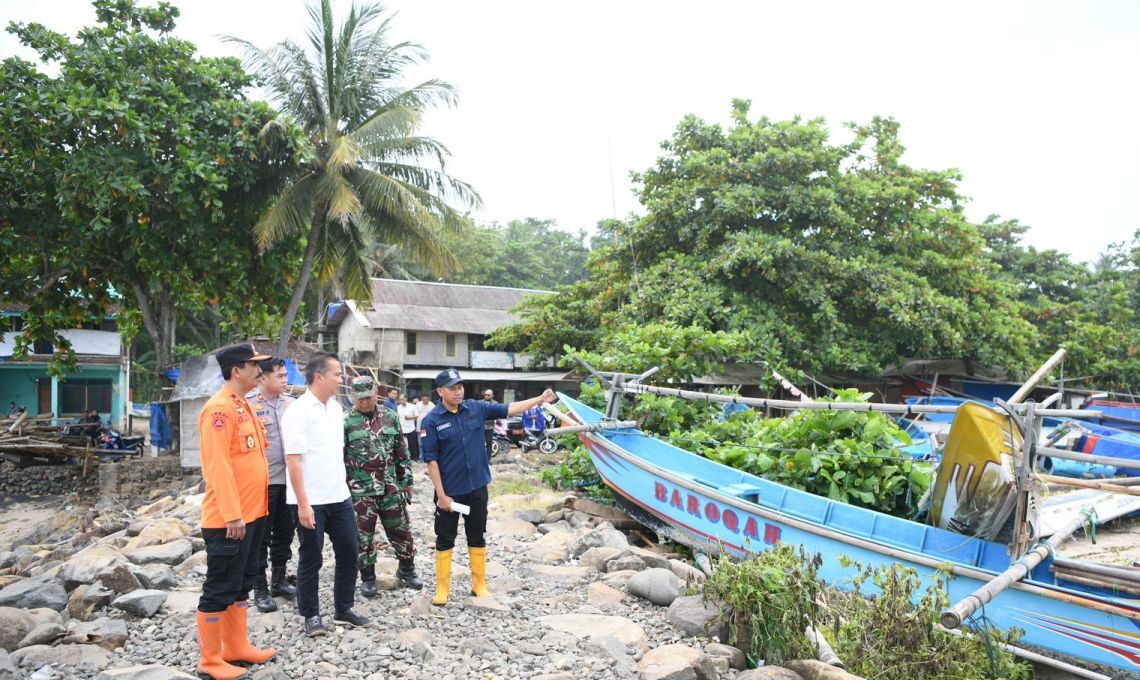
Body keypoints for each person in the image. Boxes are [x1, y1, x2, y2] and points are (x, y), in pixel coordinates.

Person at [421, 369, 558, 605]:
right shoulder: (431, 421)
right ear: (440, 391)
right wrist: (442, 497)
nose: (458, 391)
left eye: (460, 386)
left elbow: (510, 408)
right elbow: (432, 462)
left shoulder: (476, 408)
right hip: (450, 492)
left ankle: (479, 586)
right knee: (445, 538)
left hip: (477, 487)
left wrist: (539, 399)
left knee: (477, 535)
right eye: (453, 388)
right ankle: (442, 590)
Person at [194, 343, 276, 680]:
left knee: (242, 583)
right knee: (220, 586)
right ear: (235, 370)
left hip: (253, 514)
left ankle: (236, 646)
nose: (260, 371)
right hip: (230, 519)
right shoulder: (218, 410)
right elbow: (218, 468)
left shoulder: (243, 406)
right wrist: (232, 515)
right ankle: (210, 660)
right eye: (254, 365)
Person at [281, 352, 372, 637]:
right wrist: (303, 505)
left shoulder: (335, 409)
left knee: (349, 550)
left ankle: (343, 608)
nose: (341, 378)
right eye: (336, 373)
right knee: (312, 557)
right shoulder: (297, 411)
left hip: (339, 495)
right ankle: (311, 615)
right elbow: (293, 461)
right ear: (319, 376)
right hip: (311, 501)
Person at [344, 378, 421, 596]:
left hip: (391, 488)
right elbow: (338, 458)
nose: (365, 402)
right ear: (353, 397)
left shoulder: (390, 417)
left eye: (368, 397)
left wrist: (406, 483)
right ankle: (368, 577)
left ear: (376, 394)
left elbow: (401, 452)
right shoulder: (346, 422)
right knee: (363, 536)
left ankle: (407, 569)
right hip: (360, 491)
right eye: (360, 399)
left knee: (401, 530)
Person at [248, 357, 297, 613]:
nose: (284, 380)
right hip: (263, 482)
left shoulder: (292, 404)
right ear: (263, 377)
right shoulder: (249, 406)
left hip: (290, 481)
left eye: (285, 375)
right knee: (260, 537)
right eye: (279, 375)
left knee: (285, 534)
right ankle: (260, 588)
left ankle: (279, 581)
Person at [397, 394, 419, 461]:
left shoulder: (412, 406)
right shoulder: (398, 407)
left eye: (403, 399)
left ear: (406, 399)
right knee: (401, 444)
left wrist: (409, 418)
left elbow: (416, 416)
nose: (401, 401)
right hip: (401, 428)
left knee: (413, 444)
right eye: (400, 400)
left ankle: (414, 458)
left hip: (410, 428)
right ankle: (402, 458)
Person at [480, 389, 497, 458]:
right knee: (479, 443)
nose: (486, 396)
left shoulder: (495, 403)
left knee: (489, 443)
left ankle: (488, 459)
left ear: (492, 395)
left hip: (490, 426)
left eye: (488, 395)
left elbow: (495, 414)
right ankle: (480, 459)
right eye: (485, 395)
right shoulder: (480, 402)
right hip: (480, 426)